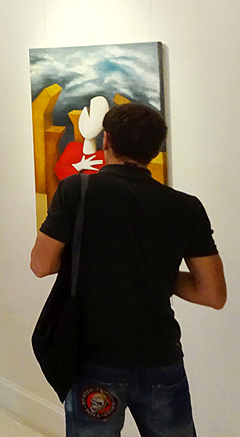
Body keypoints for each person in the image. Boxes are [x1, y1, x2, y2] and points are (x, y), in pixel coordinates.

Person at [31, 102, 226, 436]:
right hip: (161, 357)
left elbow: (41, 264)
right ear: (155, 148)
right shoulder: (186, 207)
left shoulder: (77, 190)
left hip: (94, 358)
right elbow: (212, 294)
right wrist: (152, 270)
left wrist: (103, 262)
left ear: (106, 140)